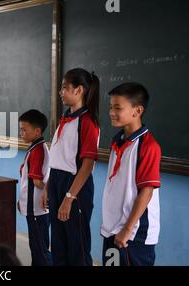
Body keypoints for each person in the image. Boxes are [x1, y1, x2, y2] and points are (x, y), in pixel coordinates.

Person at [41, 68, 100, 266]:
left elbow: (87, 164)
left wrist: (69, 198)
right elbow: (57, 159)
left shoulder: (87, 122)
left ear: (79, 90)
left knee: (77, 247)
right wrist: (48, 188)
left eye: (65, 87)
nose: (61, 92)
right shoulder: (65, 119)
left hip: (74, 187)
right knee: (58, 244)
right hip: (57, 182)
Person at [101, 83, 161, 266]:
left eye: (117, 107)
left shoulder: (148, 146)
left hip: (134, 235)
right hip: (112, 230)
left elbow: (146, 192)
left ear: (138, 110)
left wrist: (127, 231)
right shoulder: (117, 141)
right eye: (111, 107)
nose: (111, 112)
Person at [18, 109, 52, 266]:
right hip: (35, 208)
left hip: (36, 209)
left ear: (37, 131)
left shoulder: (38, 150)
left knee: (39, 249)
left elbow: (37, 181)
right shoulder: (37, 147)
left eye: (24, 130)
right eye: (21, 130)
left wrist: (51, 193)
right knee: (38, 246)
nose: (21, 133)